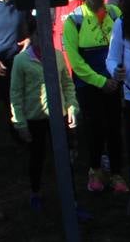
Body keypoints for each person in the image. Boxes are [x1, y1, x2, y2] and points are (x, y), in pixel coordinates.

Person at [62, 0, 126, 194]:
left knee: (115, 128)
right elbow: (76, 61)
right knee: (94, 128)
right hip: (89, 86)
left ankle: (117, 172)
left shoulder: (115, 13)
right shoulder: (74, 21)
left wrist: (116, 76)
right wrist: (100, 82)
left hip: (115, 82)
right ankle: (95, 169)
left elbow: (123, 46)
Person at [9, 31, 79, 210]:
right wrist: (20, 122)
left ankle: (71, 198)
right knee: (37, 156)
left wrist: (71, 107)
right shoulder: (21, 61)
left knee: (64, 156)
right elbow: (15, 94)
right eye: (40, 34)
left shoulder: (57, 56)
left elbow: (67, 84)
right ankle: (35, 191)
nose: (44, 38)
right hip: (35, 118)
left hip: (59, 115)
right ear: (32, 36)